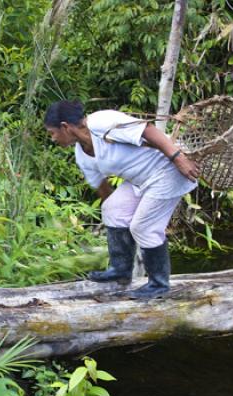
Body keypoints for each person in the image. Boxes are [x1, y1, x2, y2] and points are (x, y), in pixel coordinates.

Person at [44, 100, 200, 299]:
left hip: (169, 169)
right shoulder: (81, 155)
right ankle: (121, 270)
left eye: (52, 133)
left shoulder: (102, 122)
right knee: (112, 208)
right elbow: (103, 188)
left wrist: (179, 158)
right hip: (141, 181)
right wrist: (118, 223)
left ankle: (159, 284)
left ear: (65, 127)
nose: (53, 139)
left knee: (143, 227)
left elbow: (148, 130)